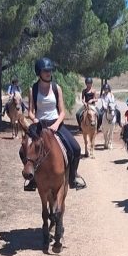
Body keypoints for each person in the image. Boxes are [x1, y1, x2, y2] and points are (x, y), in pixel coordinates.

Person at [25, 57, 86, 191]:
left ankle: (72, 178)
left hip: (55, 123)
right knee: (22, 150)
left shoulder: (56, 88)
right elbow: (30, 112)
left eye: (50, 70)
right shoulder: (33, 89)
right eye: (45, 71)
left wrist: (56, 124)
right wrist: (35, 120)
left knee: (76, 149)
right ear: (39, 72)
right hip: (39, 125)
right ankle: (32, 178)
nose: (48, 73)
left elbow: (62, 112)